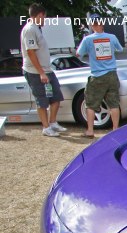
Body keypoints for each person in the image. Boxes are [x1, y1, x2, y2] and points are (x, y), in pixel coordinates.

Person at [21, 3, 66, 137]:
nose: (45, 20)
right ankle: (46, 127)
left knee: (56, 97)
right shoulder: (29, 29)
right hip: (35, 72)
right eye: (44, 17)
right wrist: (41, 72)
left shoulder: (37, 29)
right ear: (40, 15)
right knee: (42, 100)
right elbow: (30, 52)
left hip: (47, 70)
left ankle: (52, 122)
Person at [76, 13, 123, 138]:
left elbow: (78, 54)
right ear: (102, 24)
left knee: (90, 103)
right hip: (112, 74)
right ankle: (115, 129)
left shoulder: (88, 39)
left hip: (97, 75)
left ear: (91, 25)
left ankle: (90, 130)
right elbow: (120, 49)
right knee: (114, 103)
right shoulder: (112, 37)